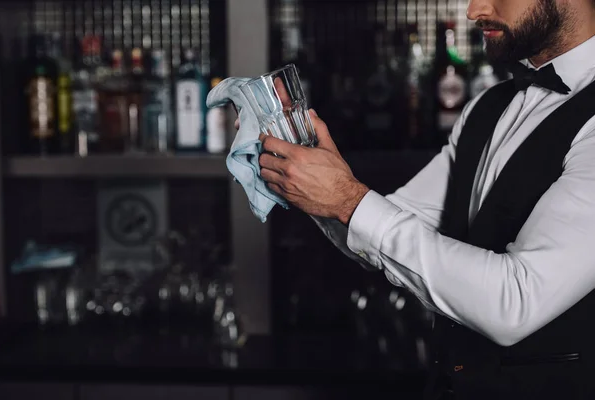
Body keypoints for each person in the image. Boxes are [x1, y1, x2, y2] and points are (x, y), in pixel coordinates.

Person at [252, 0, 595, 398]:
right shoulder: (488, 107)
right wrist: (303, 163)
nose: (474, 9)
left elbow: (515, 301)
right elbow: (381, 230)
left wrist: (345, 200)